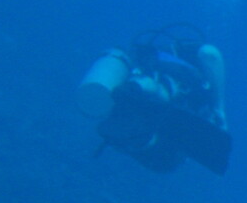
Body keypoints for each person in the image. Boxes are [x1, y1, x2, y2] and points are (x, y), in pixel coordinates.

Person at [77, 24, 231, 174]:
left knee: (150, 143)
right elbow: (210, 54)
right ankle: (135, 128)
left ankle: (132, 123)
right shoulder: (196, 74)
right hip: (151, 95)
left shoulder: (157, 58)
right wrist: (219, 110)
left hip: (135, 91)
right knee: (163, 158)